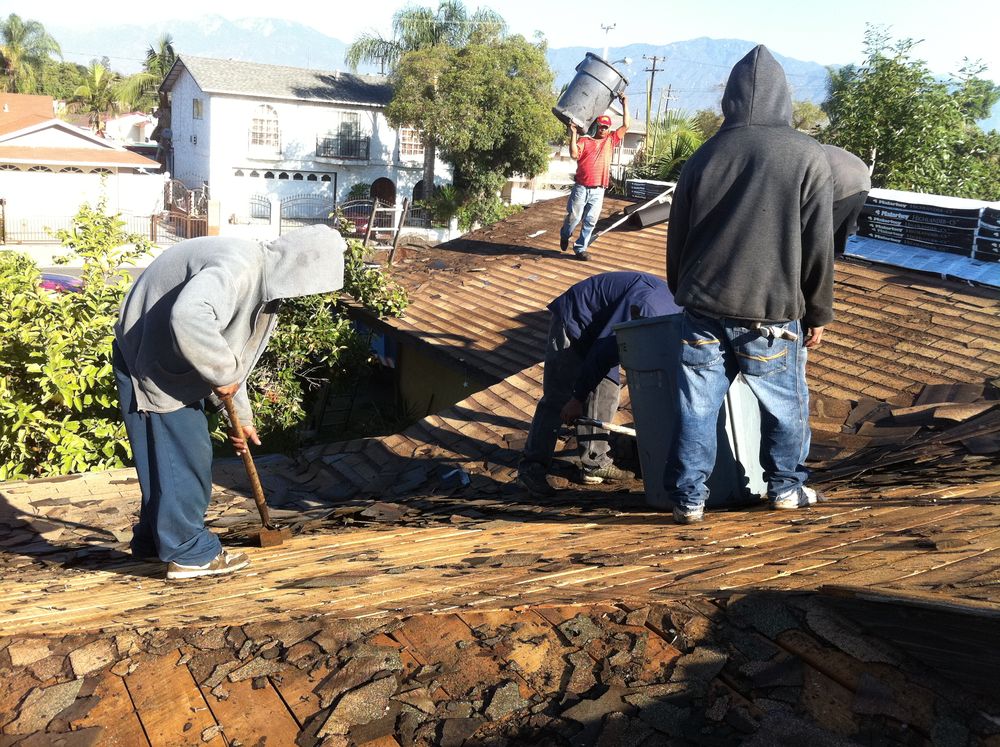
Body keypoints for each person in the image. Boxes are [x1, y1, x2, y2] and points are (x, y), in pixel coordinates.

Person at [113, 225, 345, 579]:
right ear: (302, 269)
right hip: (151, 359)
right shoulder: (239, 267)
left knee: (162, 458)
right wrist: (221, 376)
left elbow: (229, 354)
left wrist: (241, 415)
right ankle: (190, 553)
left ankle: (153, 543)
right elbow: (190, 317)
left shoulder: (259, 276)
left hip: (158, 355)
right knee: (186, 456)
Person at [665, 45, 835, 524]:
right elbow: (818, 243)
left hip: (701, 307)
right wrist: (817, 312)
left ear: (731, 98)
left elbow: (677, 238)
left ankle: (689, 500)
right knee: (784, 406)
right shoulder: (807, 155)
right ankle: (786, 488)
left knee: (696, 408)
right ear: (784, 97)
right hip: (771, 314)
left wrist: (684, 291)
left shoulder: (703, 156)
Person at [517, 271, 682, 497]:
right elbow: (602, 353)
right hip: (577, 318)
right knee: (559, 398)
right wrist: (576, 398)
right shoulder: (645, 310)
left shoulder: (679, 320)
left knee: (608, 393)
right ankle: (531, 468)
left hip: (606, 326)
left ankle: (594, 462)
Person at [560, 93, 630, 261]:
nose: (603, 129)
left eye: (606, 127)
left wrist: (624, 103)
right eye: (601, 126)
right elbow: (574, 154)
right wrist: (573, 134)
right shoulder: (585, 140)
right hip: (582, 187)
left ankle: (580, 248)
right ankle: (565, 234)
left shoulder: (611, 140)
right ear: (596, 126)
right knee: (574, 217)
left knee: (591, 220)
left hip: (599, 188)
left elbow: (626, 125)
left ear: (609, 129)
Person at [823, 144, 872, 256]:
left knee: (820, 236)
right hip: (863, 182)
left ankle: (817, 269)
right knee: (841, 232)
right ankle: (833, 259)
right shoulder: (820, 148)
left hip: (843, 184)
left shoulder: (806, 154)